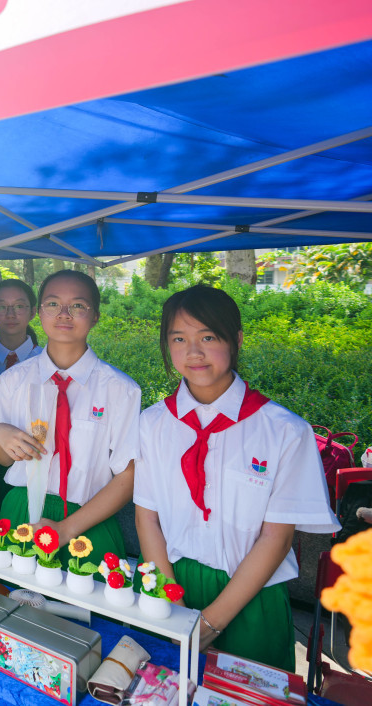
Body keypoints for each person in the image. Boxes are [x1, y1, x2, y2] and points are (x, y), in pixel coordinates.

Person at [135, 285, 338, 670]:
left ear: (237, 339)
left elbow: (277, 538)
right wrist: (171, 603)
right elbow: (147, 518)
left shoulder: (284, 431)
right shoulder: (152, 423)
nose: (193, 352)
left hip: (252, 598)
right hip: (169, 585)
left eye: (208, 337)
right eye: (179, 339)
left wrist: (209, 623)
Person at [0, 270, 140, 567]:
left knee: (84, 594)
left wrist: (66, 530)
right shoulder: (13, 380)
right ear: (39, 312)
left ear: (95, 316)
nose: (64, 314)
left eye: (78, 305)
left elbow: (127, 476)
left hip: (88, 521)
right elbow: (1, 459)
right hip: (22, 513)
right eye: (53, 304)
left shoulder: (120, 389)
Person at [0, 278, 43, 373]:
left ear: (32, 312)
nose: (10, 314)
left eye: (19, 306)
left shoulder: (46, 362)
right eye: (2, 307)